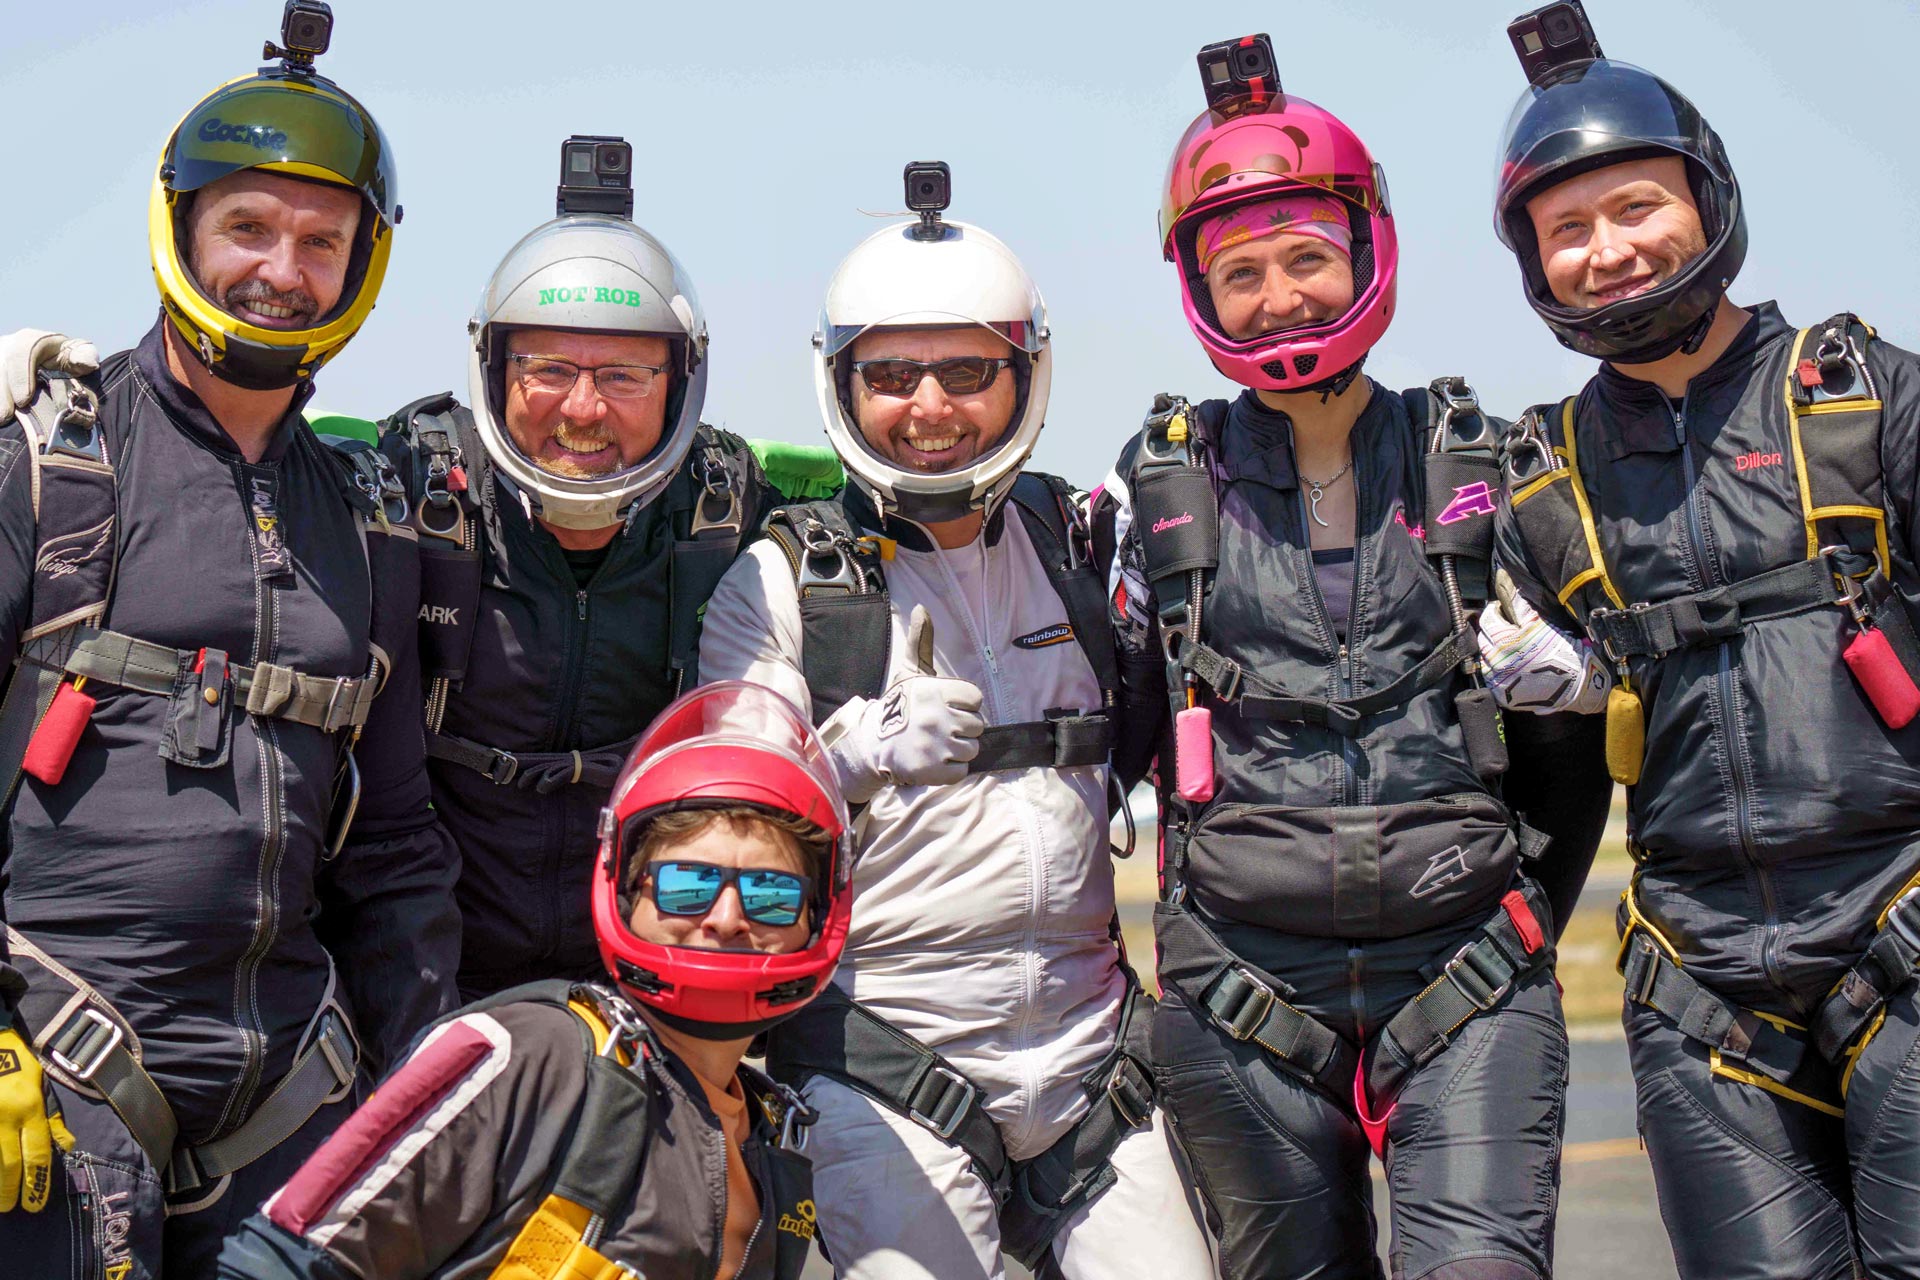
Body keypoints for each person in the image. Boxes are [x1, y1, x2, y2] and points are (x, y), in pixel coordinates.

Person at [1091, 36, 1602, 1280]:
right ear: (1201, 295)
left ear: (1367, 253)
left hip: (1471, 974)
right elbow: (1105, 731)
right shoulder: (1154, 492)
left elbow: (1582, 742)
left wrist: (1581, 698)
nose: (1282, 297)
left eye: (1308, 258)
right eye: (1244, 271)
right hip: (1239, 998)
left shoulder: (1488, 466)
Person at [0, 13, 459, 1278]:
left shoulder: (368, 513)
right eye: (249, 227)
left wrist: (422, 1069)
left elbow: (402, 841)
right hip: (52, 1069)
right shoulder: (50, 462)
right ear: (185, 228)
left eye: (322, 241)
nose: (282, 269)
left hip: (292, 1087)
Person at [697, 172, 1212, 1280]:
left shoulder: (1080, 546)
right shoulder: (784, 585)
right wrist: (846, 754)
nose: (929, 405)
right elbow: (725, 825)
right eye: (891, 374)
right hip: (887, 1060)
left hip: (1091, 1064)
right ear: (844, 384)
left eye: (968, 370)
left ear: (1025, 374)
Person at [1490, 26, 1920, 1279]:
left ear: (1707, 198)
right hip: (1700, 989)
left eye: (1635, 206)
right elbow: (1552, 791)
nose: (1608, 249)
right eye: (1567, 231)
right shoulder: (1538, 489)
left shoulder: (1869, 403)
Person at [216, 680, 847, 1280]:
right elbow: (283, 1262)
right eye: (688, 886)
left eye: (771, 893)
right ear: (629, 894)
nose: (726, 919)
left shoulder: (774, 1133)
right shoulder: (530, 1052)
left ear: (814, 919)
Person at [368, 133, 775, 999]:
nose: (583, 409)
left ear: (680, 384)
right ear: (493, 368)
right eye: (547, 368)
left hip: (646, 976)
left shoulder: (728, 506)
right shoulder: (407, 489)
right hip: (430, 980)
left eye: (625, 374)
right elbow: (245, 479)